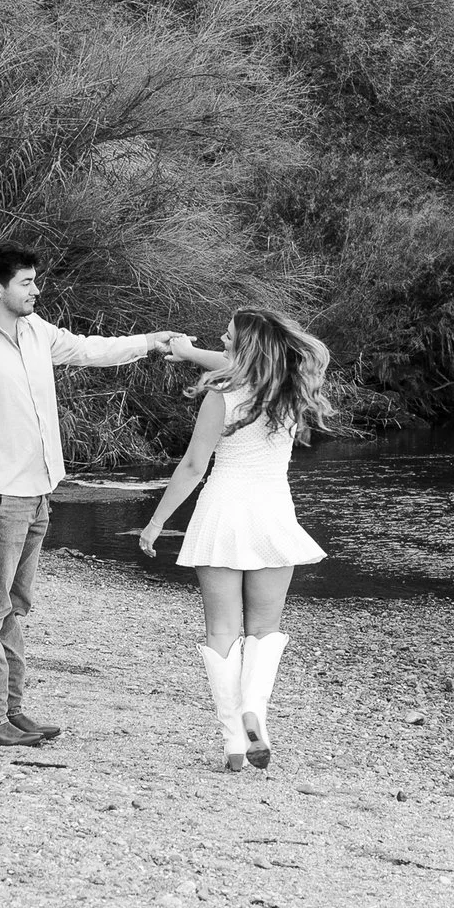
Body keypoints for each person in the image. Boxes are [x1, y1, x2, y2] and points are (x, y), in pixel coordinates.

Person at [0, 243, 190, 748]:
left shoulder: (36, 333)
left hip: (39, 491)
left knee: (15, 606)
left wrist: (150, 341)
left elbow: (91, 349)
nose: (36, 290)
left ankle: (9, 710)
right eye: (26, 282)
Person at [136, 307, 331, 772]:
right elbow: (236, 364)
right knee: (263, 631)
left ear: (243, 350)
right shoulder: (291, 389)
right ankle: (254, 715)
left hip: (222, 513)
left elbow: (192, 467)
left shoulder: (221, 397)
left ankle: (232, 743)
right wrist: (187, 352)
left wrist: (157, 521)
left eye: (226, 339)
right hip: (272, 514)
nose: (220, 344)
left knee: (222, 632)